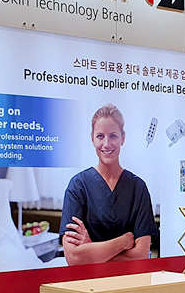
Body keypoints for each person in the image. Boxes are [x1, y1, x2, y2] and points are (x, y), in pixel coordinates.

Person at [60, 104, 157, 265]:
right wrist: (122, 242)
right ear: (92, 139)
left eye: (113, 136)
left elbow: (140, 256)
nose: (106, 144)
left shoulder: (138, 188)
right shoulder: (78, 187)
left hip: (130, 279)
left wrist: (91, 250)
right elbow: (74, 258)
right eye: (100, 136)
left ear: (122, 138)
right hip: (89, 280)